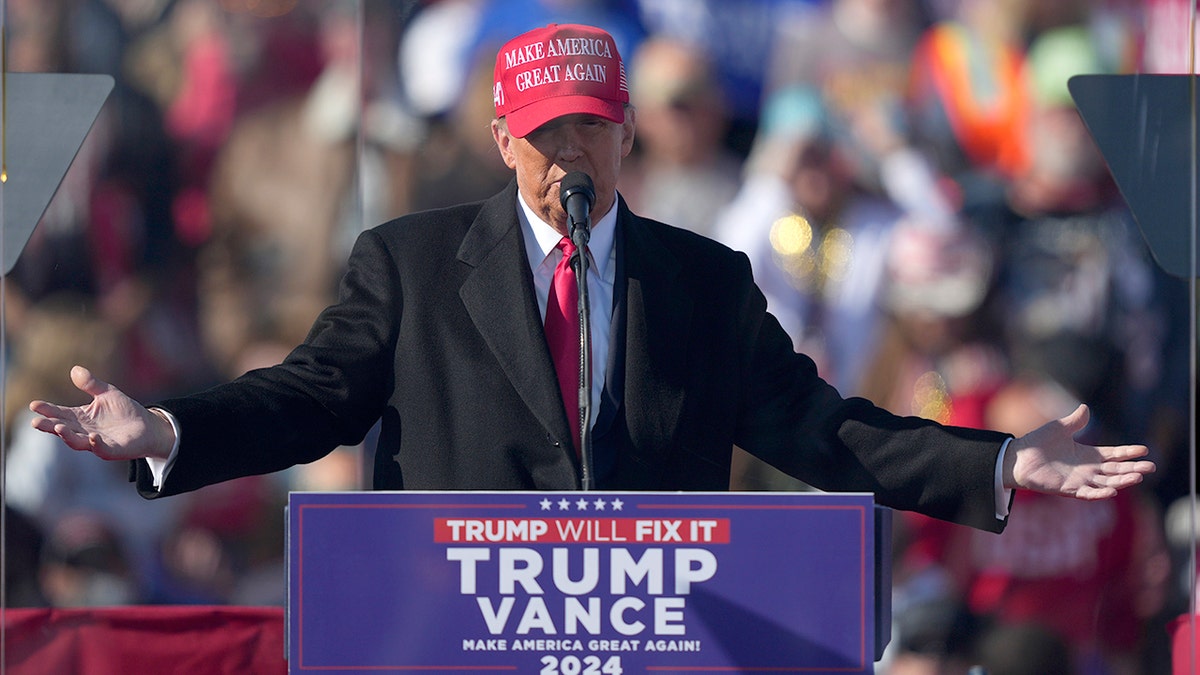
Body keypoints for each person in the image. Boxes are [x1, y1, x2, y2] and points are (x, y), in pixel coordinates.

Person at [29, 24, 1153, 536]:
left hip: (649, 635)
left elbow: (824, 432)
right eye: (548, 134)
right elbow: (309, 397)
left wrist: (999, 460)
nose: (571, 155)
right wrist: (165, 429)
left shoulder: (703, 284)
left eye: (593, 132)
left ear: (628, 142)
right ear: (502, 140)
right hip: (456, 633)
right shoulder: (411, 266)